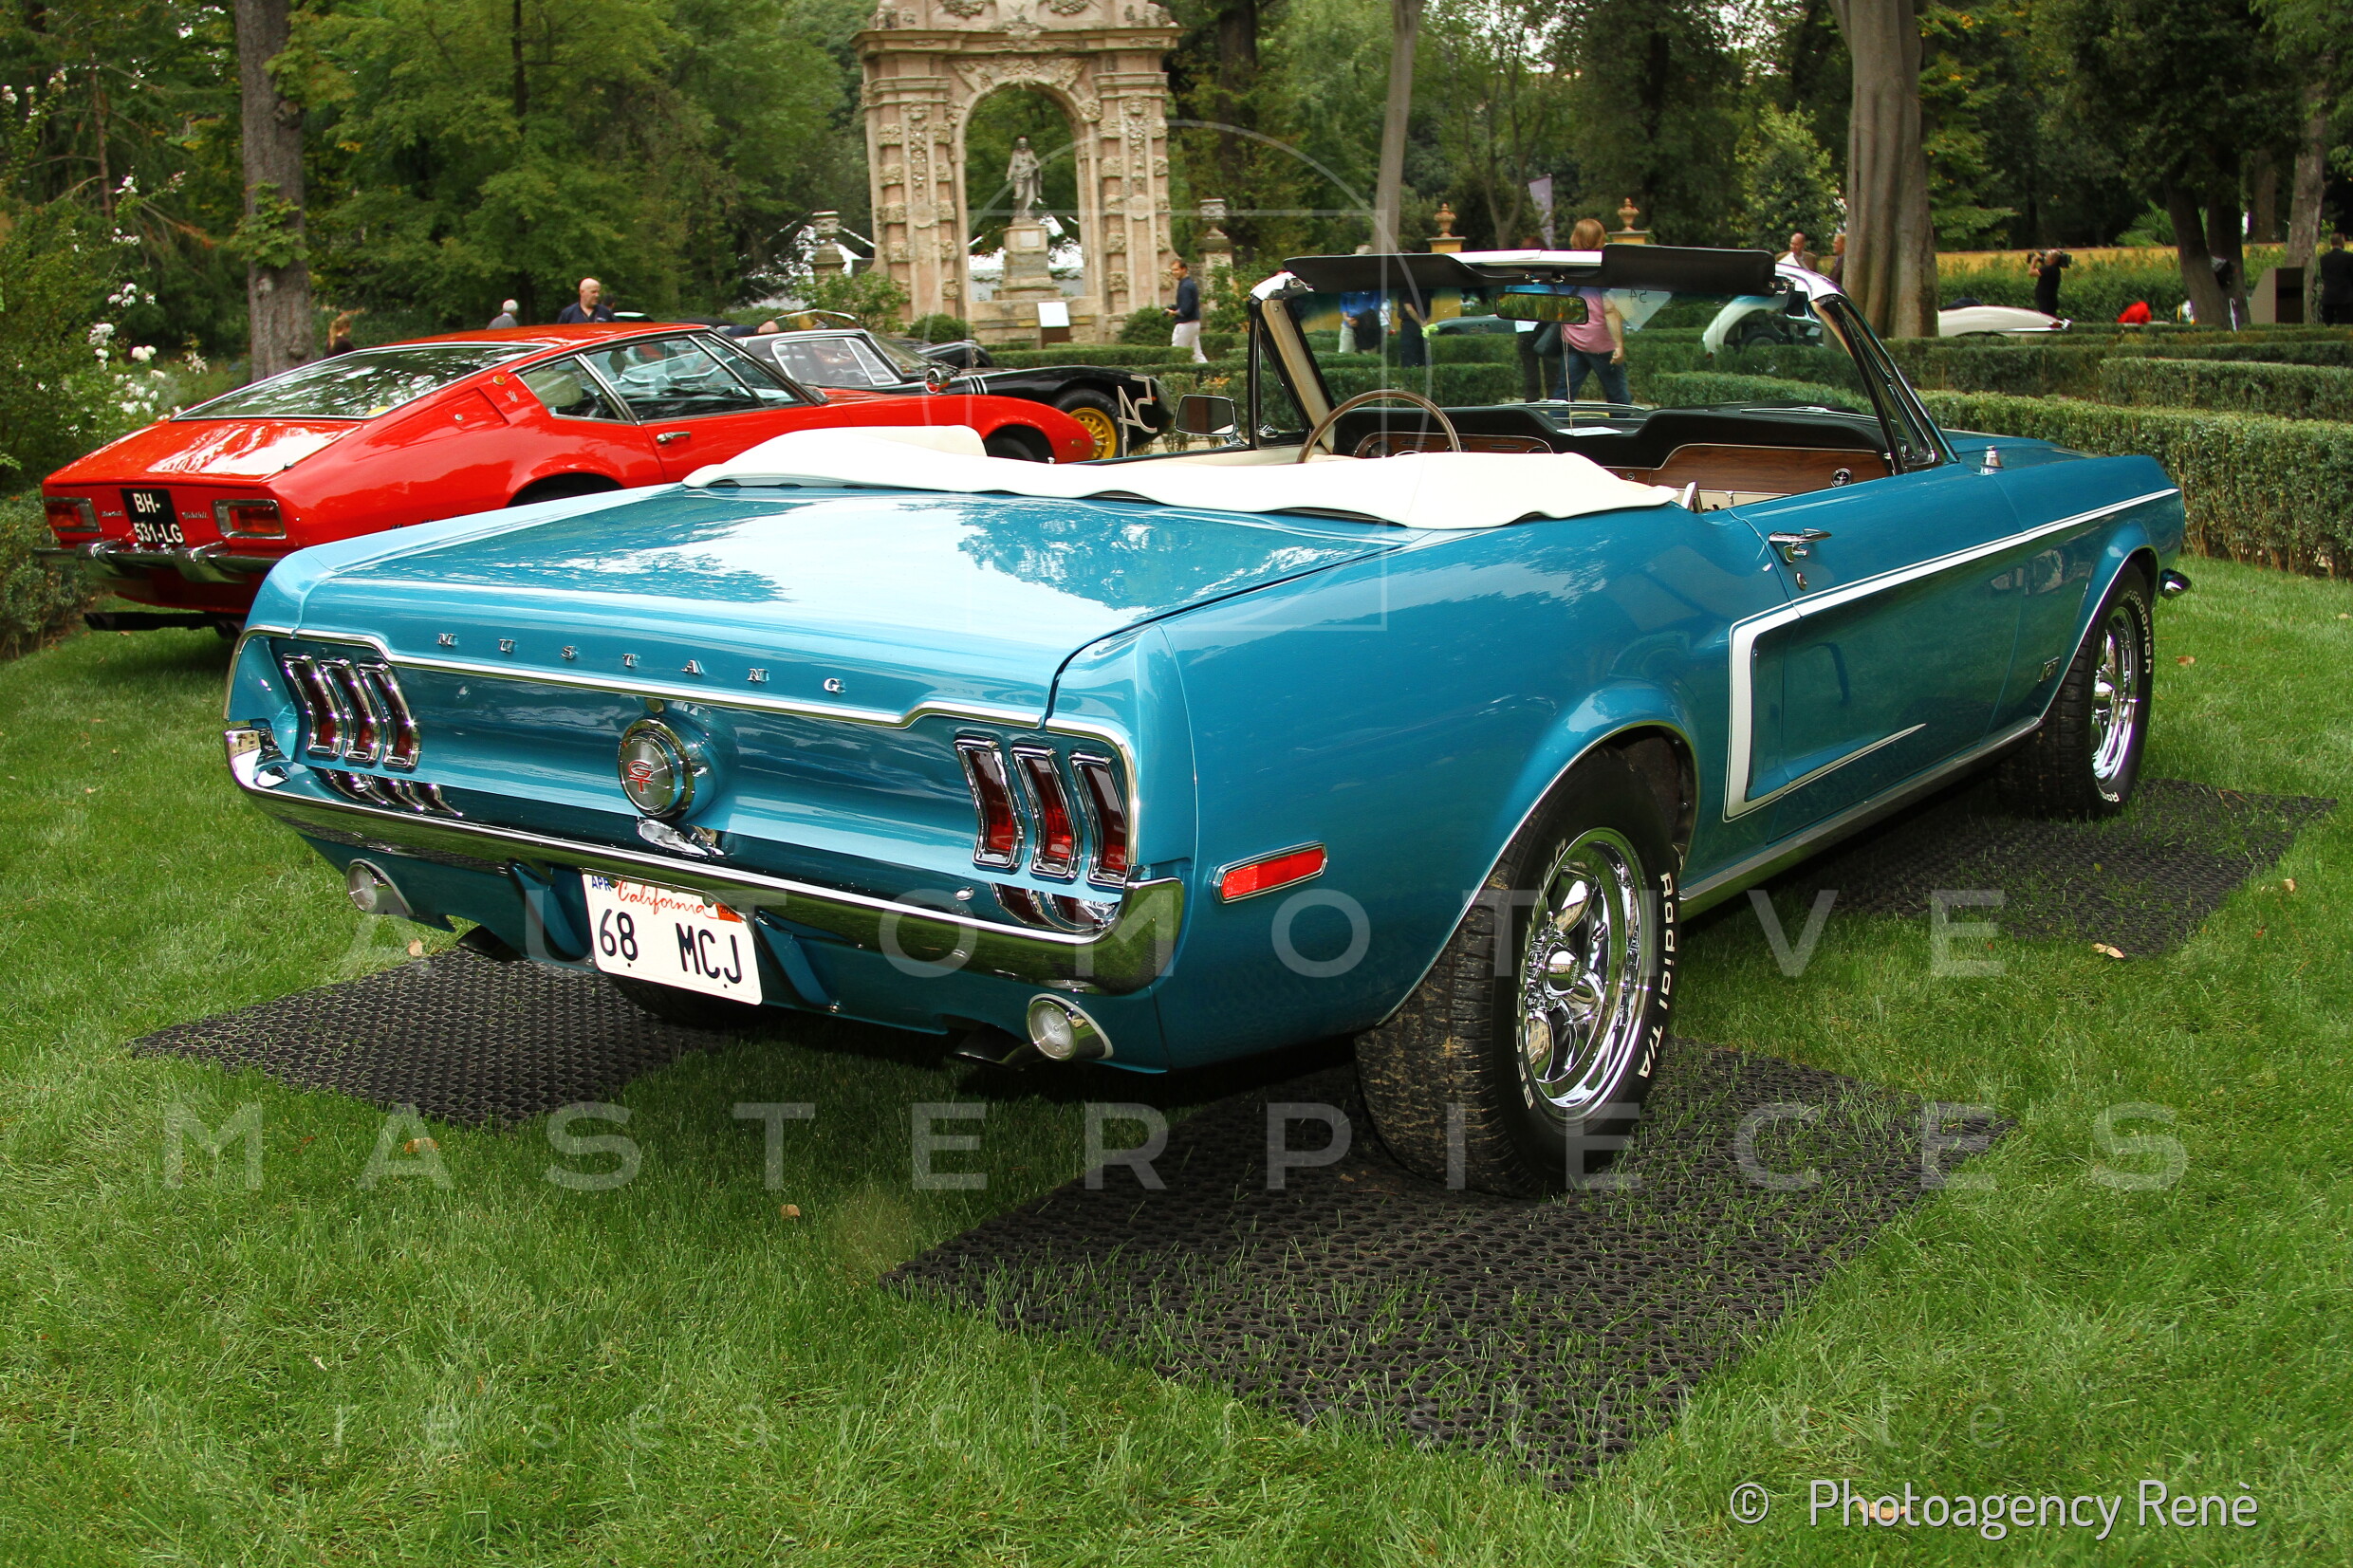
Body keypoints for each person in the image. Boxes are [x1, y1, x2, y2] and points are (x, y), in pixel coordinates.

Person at [1559, 215, 1628, 403]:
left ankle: (1555, 422)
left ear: (1575, 237)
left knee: (1563, 396)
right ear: (1600, 237)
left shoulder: (1564, 266)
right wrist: (1619, 345)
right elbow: (1609, 308)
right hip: (1600, 342)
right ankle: (1623, 423)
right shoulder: (1603, 266)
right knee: (1618, 397)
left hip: (1572, 339)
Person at [1166, 258, 1205, 363]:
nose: (1174, 273)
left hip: (1185, 324)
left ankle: (1175, 373)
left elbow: (1185, 309)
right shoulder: (1188, 284)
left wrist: (1172, 313)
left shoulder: (1185, 286)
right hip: (1193, 323)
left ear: (1184, 269)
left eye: (1176, 270)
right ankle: (1210, 372)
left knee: (1177, 352)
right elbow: (1187, 304)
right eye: (1172, 270)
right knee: (1196, 354)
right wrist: (1175, 307)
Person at [2318, 234, 2353, 325]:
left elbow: (2323, 276)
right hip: (2345, 298)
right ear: (2342, 243)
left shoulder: (2324, 259)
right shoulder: (2349, 257)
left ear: (2332, 243)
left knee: (2327, 325)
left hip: (2328, 296)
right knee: (2346, 325)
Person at [2033, 249, 2069, 317]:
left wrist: (2034, 261)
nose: (2045, 258)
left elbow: (2031, 272)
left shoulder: (2048, 269)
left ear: (2051, 259)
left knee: (2046, 317)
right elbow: (2043, 271)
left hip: (2046, 300)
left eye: (2047, 257)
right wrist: (2042, 263)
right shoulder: (2054, 269)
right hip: (2049, 299)